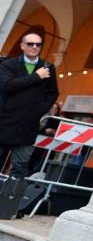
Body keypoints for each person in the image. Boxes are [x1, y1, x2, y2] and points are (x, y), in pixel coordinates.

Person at [0, 33, 59, 179]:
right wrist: (36, 77)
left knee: (19, 169)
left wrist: (39, 110)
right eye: (30, 43)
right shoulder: (9, 64)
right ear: (22, 46)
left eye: (38, 44)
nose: (34, 47)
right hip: (4, 123)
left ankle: (10, 201)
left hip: (28, 126)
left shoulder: (48, 67)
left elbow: (53, 93)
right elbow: (7, 86)